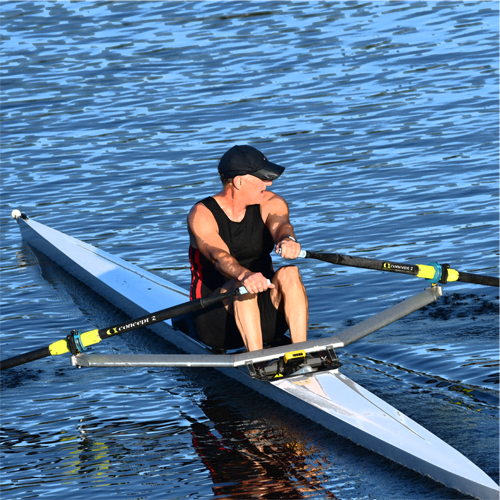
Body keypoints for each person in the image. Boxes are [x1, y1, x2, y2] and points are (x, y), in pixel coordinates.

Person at [187, 145, 308, 352]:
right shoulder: (202, 214)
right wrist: (245, 275)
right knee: (241, 286)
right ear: (239, 181)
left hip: (265, 315)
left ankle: (302, 352)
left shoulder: (272, 202)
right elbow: (219, 257)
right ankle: (257, 360)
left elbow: (281, 225)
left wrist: (287, 239)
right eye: (262, 177)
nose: (268, 183)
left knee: (290, 273)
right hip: (217, 322)